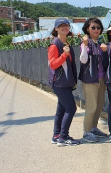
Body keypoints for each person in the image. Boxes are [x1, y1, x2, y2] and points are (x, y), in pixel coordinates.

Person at [48, 17, 79, 146]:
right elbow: (53, 65)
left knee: (61, 109)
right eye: (61, 25)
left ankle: (56, 135)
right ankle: (63, 137)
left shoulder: (66, 45)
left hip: (65, 82)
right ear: (56, 29)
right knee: (71, 108)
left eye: (66, 25)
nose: (64, 27)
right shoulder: (54, 45)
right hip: (59, 83)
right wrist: (64, 55)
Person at [79, 18, 108, 143]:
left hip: (101, 78)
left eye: (98, 27)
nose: (96, 29)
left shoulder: (100, 43)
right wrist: (85, 46)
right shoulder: (86, 43)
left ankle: (93, 128)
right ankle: (86, 131)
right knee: (92, 106)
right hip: (90, 79)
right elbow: (83, 60)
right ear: (87, 29)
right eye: (93, 27)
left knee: (99, 105)